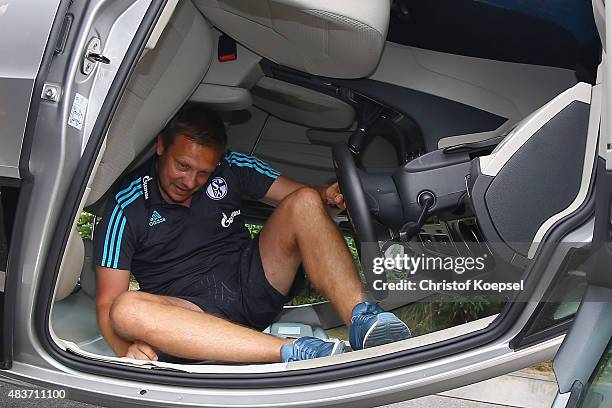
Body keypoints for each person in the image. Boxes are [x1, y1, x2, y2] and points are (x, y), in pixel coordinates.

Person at [93, 104, 411, 363]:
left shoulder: (233, 166)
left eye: (204, 173)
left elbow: (309, 201)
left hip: (254, 284)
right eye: (183, 166)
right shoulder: (126, 206)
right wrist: (125, 351)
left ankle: (364, 318)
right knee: (126, 309)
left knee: (303, 202)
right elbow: (107, 303)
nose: (190, 181)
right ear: (161, 146)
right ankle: (293, 351)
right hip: (193, 317)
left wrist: (328, 195)